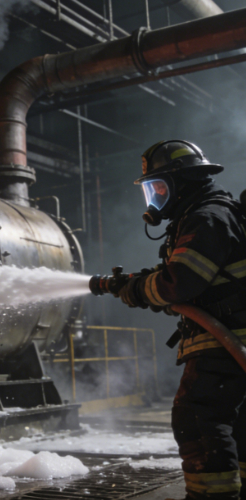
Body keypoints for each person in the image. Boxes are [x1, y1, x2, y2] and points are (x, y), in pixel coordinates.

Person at [115, 140, 246, 499]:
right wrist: (138, 282)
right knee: (239, 425)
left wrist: (141, 289)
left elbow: (180, 283)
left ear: (185, 181)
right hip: (231, 341)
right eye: (150, 190)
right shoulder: (208, 214)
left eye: (159, 188)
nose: (155, 198)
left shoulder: (206, 217)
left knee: (196, 417)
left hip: (224, 342)